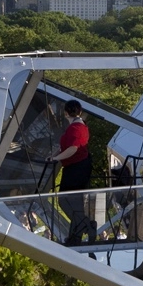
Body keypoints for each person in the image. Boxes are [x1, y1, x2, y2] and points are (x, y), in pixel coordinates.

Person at [54, 99, 94, 243]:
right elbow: (69, 148)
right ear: (80, 112)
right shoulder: (80, 127)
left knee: (65, 201)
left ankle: (86, 226)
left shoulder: (76, 128)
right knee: (74, 204)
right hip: (77, 167)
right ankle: (75, 236)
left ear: (65, 113)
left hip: (76, 169)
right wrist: (55, 156)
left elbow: (73, 149)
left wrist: (56, 158)